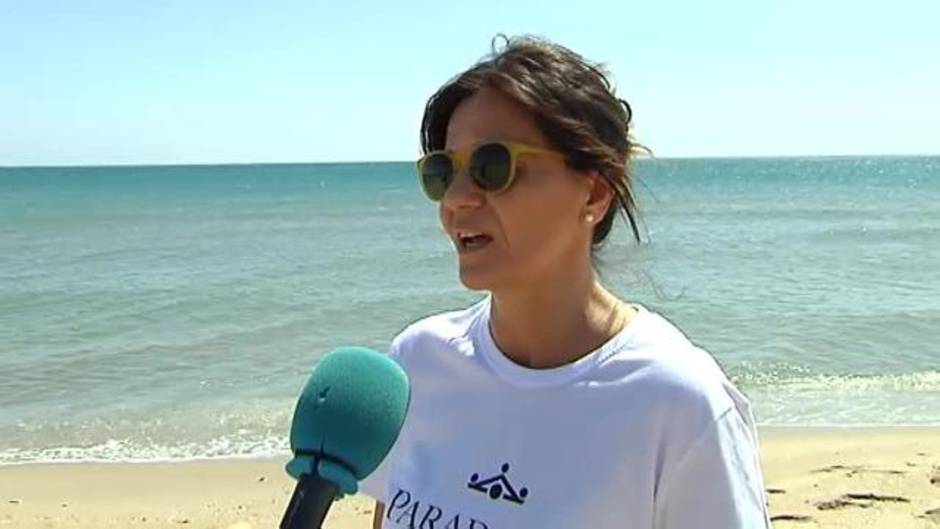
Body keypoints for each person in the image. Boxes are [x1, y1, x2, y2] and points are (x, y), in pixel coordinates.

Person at [359, 35, 773, 529]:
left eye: (494, 167)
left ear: (594, 192)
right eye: (444, 172)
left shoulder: (679, 404)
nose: (457, 198)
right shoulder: (418, 363)